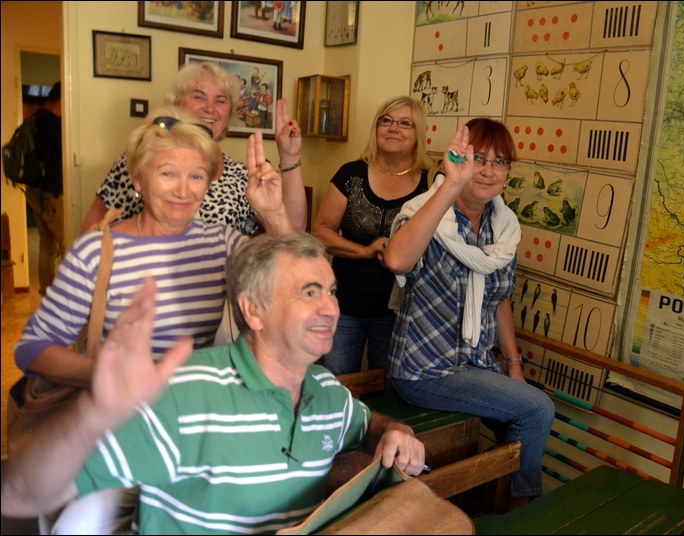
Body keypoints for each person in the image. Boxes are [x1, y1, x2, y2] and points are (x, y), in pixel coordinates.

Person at [1, 233, 427, 534]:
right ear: (253, 312)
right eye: (309, 292)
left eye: (331, 291)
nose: (331, 308)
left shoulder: (328, 392)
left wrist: (394, 431)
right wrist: (92, 416)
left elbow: (367, 424)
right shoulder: (185, 394)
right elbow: (18, 496)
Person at [12, 105, 290, 534]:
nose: (183, 190)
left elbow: (292, 287)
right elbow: (32, 349)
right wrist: (112, 377)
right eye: (167, 173)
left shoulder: (220, 243)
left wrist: (273, 214)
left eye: (196, 176)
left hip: (197, 422)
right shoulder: (96, 252)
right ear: (138, 179)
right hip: (121, 425)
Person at [382, 118, 556, 507]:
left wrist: (513, 363)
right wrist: (451, 184)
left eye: (500, 162)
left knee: (527, 413)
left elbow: (500, 299)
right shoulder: (426, 213)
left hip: (476, 365)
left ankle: (486, 500)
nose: (489, 171)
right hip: (424, 370)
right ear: (460, 161)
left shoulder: (503, 227)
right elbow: (396, 260)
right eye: (479, 159)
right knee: (537, 409)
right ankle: (520, 510)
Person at [80, 61, 307, 235]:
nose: (209, 108)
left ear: (229, 113)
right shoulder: (141, 159)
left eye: (220, 100)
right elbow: (92, 231)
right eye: (199, 97)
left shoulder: (243, 176)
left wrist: (289, 156)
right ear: (177, 102)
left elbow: (293, 229)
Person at [312, 96, 430, 377]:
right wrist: (365, 251)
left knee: (388, 385)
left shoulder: (431, 182)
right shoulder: (351, 174)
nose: (393, 128)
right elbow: (321, 231)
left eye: (405, 123)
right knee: (338, 383)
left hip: (401, 311)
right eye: (386, 121)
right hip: (344, 306)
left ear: (419, 133)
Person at [23, 81, 64, 295]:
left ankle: (48, 294)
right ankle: (66, 296)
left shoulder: (34, 119)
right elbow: (60, 156)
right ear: (61, 98)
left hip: (34, 191)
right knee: (67, 244)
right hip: (51, 192)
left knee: (46, 245)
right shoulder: (51, 123)